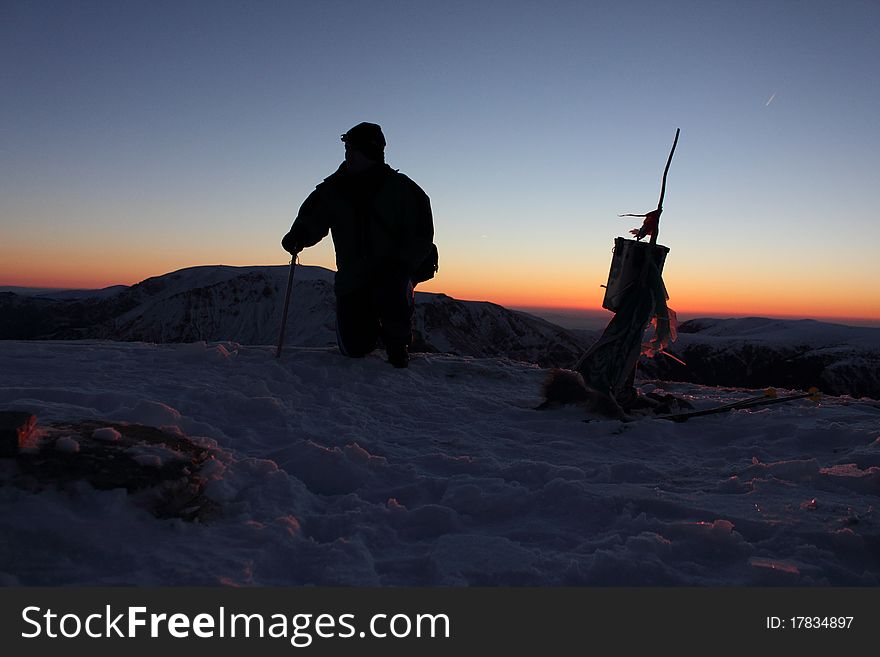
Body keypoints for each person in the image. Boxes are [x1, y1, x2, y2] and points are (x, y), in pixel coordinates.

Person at [281, 122, 434, 368]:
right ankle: (375, 331)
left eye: (354, 149)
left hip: (391, 274)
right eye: (348, 149)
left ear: (371, 152)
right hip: (353, 278)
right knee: (354, 349)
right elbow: (314, 217)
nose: (348, 154)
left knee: (393, 289)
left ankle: (397, 343)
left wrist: (403, 265)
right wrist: (299, 235)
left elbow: (421, 237)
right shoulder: (333, 190)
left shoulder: (403, 190)